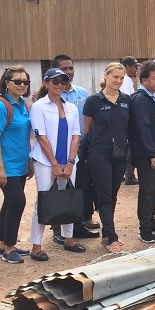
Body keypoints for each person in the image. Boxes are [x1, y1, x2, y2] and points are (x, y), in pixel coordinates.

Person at [28, 68, 84, 259]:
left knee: (68, 196)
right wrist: (53, 164)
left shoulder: (71, 108)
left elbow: (76, 136)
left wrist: (69, 162)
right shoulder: (38, 107)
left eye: (63, 81)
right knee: (44, 200)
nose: (59, 85)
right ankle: (36, 245)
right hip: (46, 162)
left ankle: (68, 238)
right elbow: (41, 137)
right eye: (55, 81)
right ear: (46, 83)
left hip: (68, 161)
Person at [83, 63, 133, 253]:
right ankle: (112, 237)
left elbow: (129, 128)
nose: (118, 81)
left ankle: (106, 231)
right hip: (98, 152)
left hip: (120, 153)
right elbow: (86, 130)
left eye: (122, 78)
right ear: (106, 76)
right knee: (104, 194)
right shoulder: (93, 101)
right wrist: (85, 154)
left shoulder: (127, 100)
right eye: (115, 77)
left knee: (112, 193)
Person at [0, 65, 33, 264]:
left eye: (25, 82)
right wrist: (0, 168)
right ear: (7, 83)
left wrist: (29, 160)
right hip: (7, 165)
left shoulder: (22, 104)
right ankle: (9, 248)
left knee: (10, 203)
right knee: (17, 201)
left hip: (20, 163)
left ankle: (3, 244)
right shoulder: (0, 106)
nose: (22, 85)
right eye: (17, 81)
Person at [53, 54, 99, 238]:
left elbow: (88, 121)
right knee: (59, 190)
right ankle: (57, 228)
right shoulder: (51, 95)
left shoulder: (82, 93)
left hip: (81, 149)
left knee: (81, 187)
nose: (68, 72)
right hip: (60, 152)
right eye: (64, 69)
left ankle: (78, 224)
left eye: (70, 68)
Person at [128, 62, 155, 244]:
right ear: (143, 79)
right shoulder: (141, 99)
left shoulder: (153, 97)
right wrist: (152, 153)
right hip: (148, 155)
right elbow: (143, 128)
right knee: (147, 191)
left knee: (154, 190)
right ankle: (144, 228)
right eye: (154, 78)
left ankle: (151, 222)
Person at [120, 56, 139, 185]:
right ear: (128, 67)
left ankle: (127, 174)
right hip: (127, 118)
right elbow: (128, 99)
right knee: (129, 147)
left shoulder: (129, 80)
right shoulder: (125, 80)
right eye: (134, 66)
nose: (136, 69)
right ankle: (129, 176)